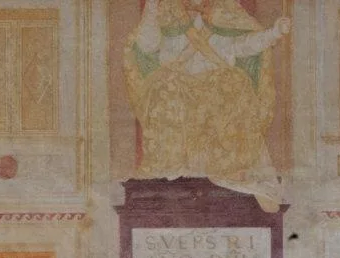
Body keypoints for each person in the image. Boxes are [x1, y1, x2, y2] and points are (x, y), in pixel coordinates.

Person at [124, 0, 291, 210]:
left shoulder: (224, 17)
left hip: (216, 86)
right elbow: (148, 45)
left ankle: (231, 168)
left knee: (236, 83)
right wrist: (151, 9)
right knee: (165, 88)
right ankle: (171, 165)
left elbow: (243, 46)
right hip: (177, 85)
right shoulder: (165, 15)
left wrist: (274, 32)